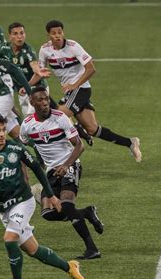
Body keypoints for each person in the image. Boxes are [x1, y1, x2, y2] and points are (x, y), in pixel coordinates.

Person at [0, 113, 86, 279]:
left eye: (4, 129)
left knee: (9, 238)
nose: (2, 134)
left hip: (23, 201)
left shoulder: (16, 148)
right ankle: (70, 267)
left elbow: (37, 168)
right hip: (3, 208)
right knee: (33, 250)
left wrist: (51, 195)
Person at [39, 20, 142, 162]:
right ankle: (130, 143)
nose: (57, 35)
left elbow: (91, 68)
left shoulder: (73, 46)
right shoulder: (45, 50)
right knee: (92, 129)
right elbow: (40, 71)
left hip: (81, 89)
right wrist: (33, 79)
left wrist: (75, 84)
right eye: (53, 33)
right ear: (48, 35)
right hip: (71, 93)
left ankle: (63, 158)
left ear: (63, 32)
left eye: (59, 32)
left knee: (59, 116)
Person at [21, 86, 104, 259]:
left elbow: (79, 145)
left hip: (70, 164)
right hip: (51, 171)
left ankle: (92, 249)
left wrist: (67, 165)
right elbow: (25, 145)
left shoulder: (60, 118)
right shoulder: (27, 125)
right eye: (40, 100)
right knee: (48, 214)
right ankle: (87, 212)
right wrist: (26, 173)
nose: (44, 103)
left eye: (46, 99)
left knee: (66, 204)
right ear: (32, 102)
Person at [0, 22, 51, 116]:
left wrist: (38, 71)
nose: (19, 36)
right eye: (15, 34)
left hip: (37, 89)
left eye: (22, 33)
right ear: (10, 36)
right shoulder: (3, 48)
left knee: (33, 116)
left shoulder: (28, 50)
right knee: (30, 119)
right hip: (22, 91)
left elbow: (34, 66)